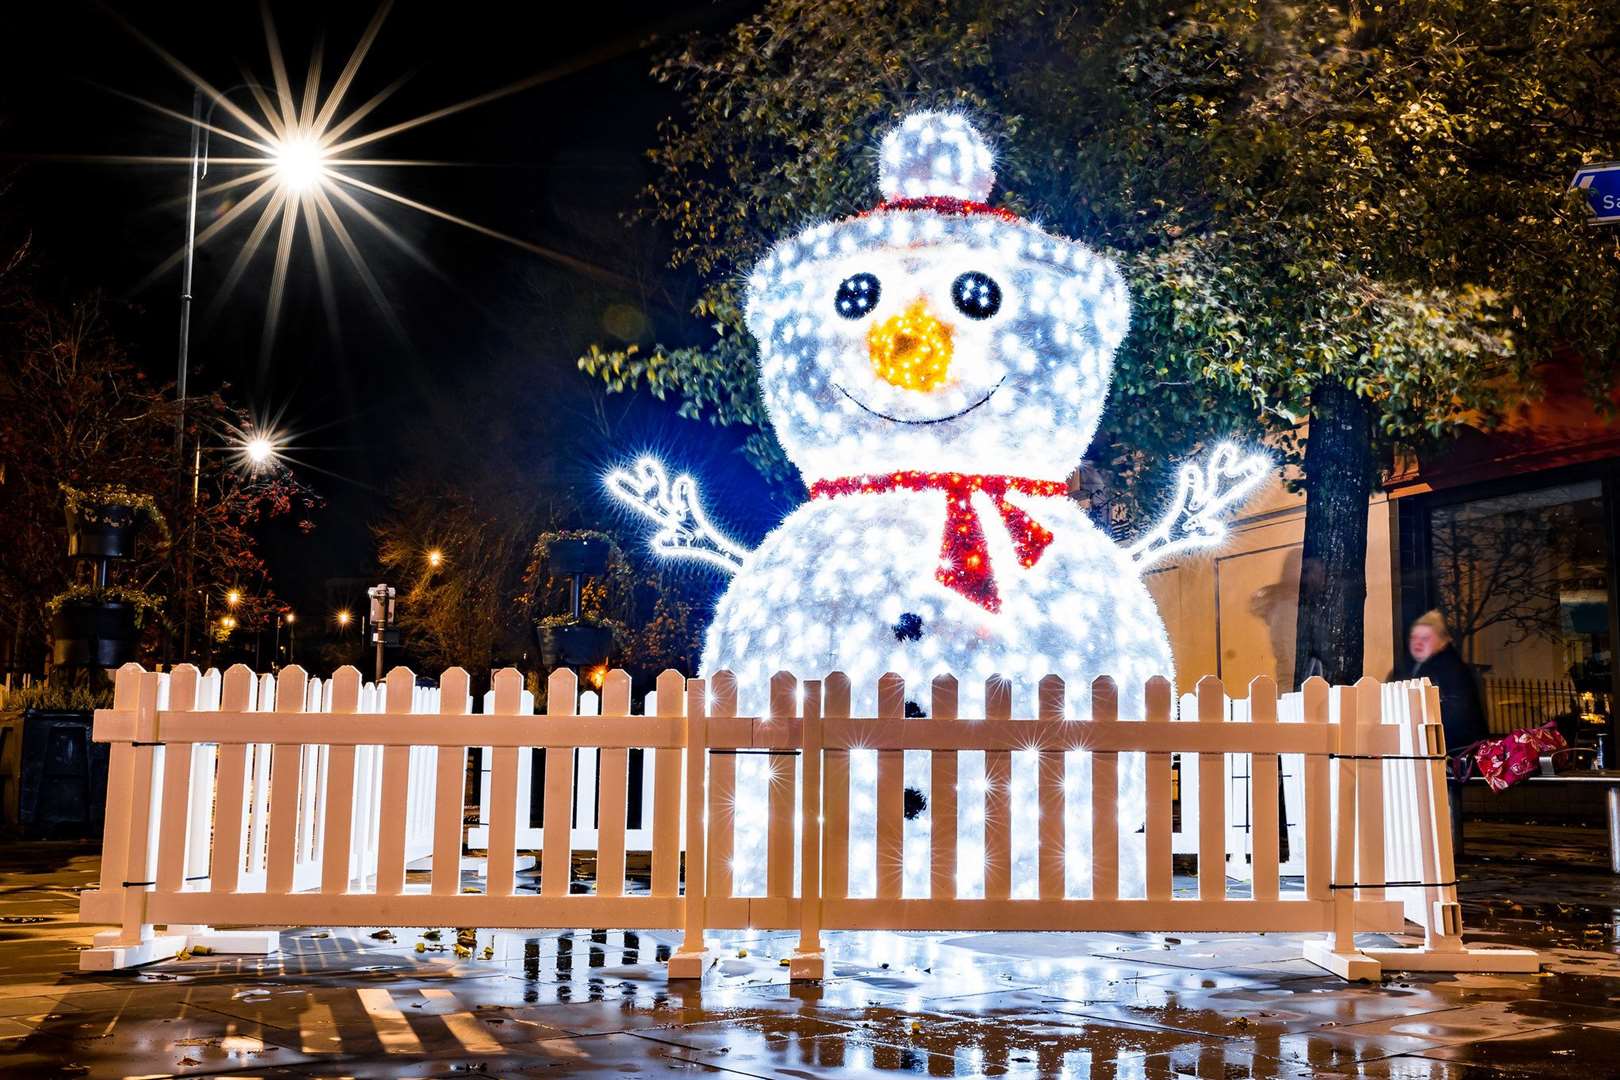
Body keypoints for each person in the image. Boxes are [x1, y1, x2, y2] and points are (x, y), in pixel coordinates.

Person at [1405, 610, 1488, 857]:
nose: (1418, 643)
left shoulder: (1447, 669)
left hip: (1453, 748)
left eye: (1426, 638)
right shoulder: (1421, 666)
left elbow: (1456, 715)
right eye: (1414, 637)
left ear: (1442, 641)